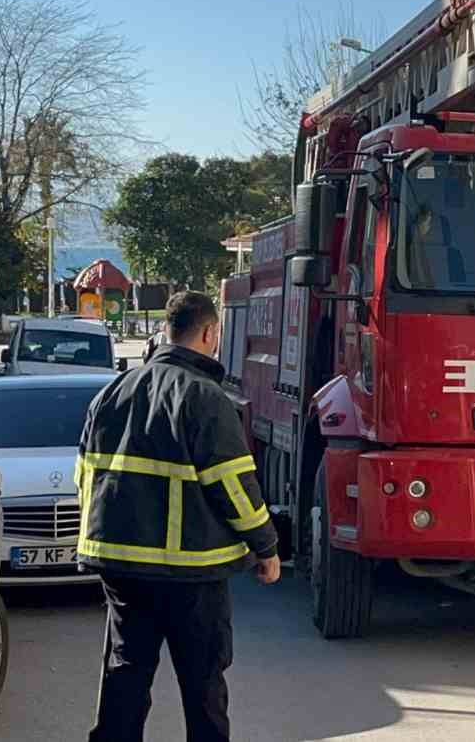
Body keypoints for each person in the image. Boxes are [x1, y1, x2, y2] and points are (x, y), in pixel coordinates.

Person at [76, 290, 281, 742]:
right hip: (192, 573)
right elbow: (234, 487)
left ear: (166, 330)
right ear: (210, 334)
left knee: (125, 675)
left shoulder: (112, 393)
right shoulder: (206, 399)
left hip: (121, 567)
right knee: (203, 686)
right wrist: (265, 547)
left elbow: (85, 475)